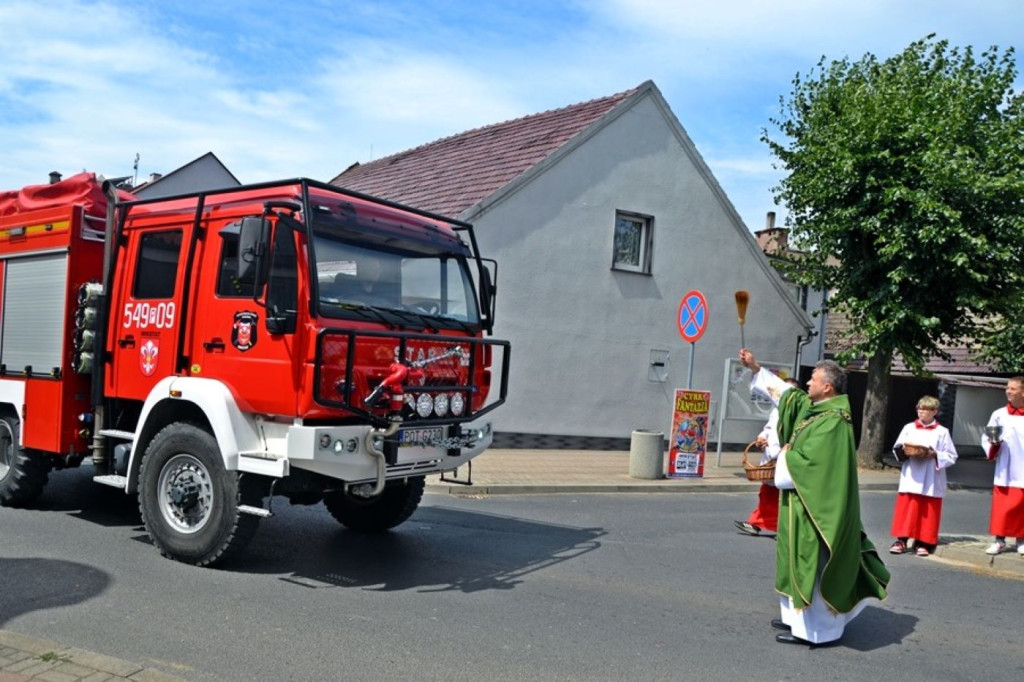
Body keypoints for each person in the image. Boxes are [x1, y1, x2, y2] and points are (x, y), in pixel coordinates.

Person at [738, 348, 889, 647]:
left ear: (827, 387)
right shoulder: (816, 409)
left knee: (815, 563)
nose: (807, 384)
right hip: (802, 503)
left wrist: (785, 455)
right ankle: (797, 617)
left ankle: (818, 631)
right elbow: (787, 396)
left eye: (812, 380)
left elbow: (810, 465)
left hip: (818, 510)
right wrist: (756, 368)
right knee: (795, 560)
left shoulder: (833, 421)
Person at [888, 396, 958, 557]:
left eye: (925, 409)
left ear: (935, 412)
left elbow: (952, 456)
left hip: (931, 476)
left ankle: (923, 541)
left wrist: (935, 454)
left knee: (927, 510)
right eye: (919, 408)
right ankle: (902, 539)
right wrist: (902, 452)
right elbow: (897, 447)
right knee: (907, 509)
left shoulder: (942, 432)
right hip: (912, 474)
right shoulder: (909, 427)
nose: (921, 411)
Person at [735, 377, 801, 536]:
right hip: (771, 459)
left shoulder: (798, 413)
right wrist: (761, 438)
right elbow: (769, 428)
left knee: (780, 496)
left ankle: (781, 527)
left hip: (783, 458)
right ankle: (757, 523)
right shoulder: (776, 410)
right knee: (767, 493)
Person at [979, 376, 1024, 556]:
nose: (1008, 391)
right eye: (1007, 388)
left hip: (1022, 468)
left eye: (1012, 388)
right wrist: (993, 444)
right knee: (1002, 507)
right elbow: (986, 437)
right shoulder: (998, 414)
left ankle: (1021, 540)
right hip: (1005, 467)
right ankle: (999, 540)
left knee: (1021, 506)